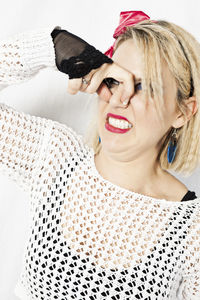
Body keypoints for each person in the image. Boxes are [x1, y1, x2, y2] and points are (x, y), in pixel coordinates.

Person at [0, 10, 200, 300]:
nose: (120, 99)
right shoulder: (55, 157)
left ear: (182, 111)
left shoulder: (193, 231)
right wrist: (56, 45)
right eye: (114, 79)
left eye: (143, 86)